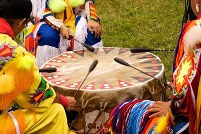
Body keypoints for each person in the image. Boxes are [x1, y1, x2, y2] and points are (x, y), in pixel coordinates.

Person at [104, 0, 201, 133]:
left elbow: (186, 89)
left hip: (192, 120)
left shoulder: (196, 32)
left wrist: (172, 107)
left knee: (124, 112)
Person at [0, 0, 76, 133]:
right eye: (26, 23)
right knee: (55, 112)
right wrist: (63, 101)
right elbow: (38, 97)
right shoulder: (13, 53)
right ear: (20, 22)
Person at [25, 0, 103, 68]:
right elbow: (44, 11)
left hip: (75, 15)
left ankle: (93, 71)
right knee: (49, 36)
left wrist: (91, 19)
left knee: (91, 33)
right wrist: (60, 27)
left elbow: (88, 1)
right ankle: (48, 73)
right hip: (47, 19)